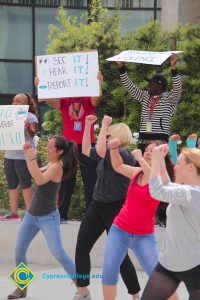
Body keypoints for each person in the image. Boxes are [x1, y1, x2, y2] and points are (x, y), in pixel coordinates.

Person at [73, 115, 140, 300]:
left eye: (109, 135)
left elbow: (101, 149)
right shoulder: (107, 154)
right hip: (97, 205)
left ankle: (135, 294)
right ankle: (82, 289)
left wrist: (103, 125)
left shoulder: (124, 155)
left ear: (117, 137)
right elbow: (86, 149)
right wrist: (88, 125)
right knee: (82, 247)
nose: (106, 137)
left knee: (121, 256)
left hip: (116, 208)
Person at [102, 139, 179, 300]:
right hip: (120, 230)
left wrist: (140, 159)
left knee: (161, 278)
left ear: (161, 156)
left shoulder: (160, 179)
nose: (148, 151)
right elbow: (118, 166)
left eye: (153, 150)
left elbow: (153, 179)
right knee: (109, 273)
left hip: (143, 236)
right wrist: (114, 149)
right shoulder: (138, 172)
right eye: (146, 149)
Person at [7, 136, 78, 299]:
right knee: (19, 251)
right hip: (32, 215)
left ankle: (81, 287)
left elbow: (39, 179)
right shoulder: (52, 164)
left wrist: (30, 158)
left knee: (58, 252)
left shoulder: (58, 167)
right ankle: (22, 287)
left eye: (50, 147)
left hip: (48, 217)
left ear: (59, 152)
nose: (47, 148)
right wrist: (27, 154)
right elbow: (36, 173)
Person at [35, 72, 103, 223]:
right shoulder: (65, 100)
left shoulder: (87, 98)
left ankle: (91, 217)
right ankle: (62, 214)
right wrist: (41, 86)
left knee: (90, 180)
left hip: (86, 145)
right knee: (66, 180)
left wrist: (98, 82)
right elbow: (51, 101)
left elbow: (97, 100)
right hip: (68, 146)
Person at [141, 144, 200, 300]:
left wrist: (155, 160)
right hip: (169, 264)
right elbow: (166, 185)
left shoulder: (192, 194)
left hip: (196, 267)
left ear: (191, 167)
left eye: (179, 163)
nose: (174, 167)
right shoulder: (186, 191)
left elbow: (157, 191)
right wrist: (159, 161)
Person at [116, 53, 182, 150]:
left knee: (157, 163)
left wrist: (174, 69)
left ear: (159, 86)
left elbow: (177, 88)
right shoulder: (145, 96)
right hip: (144, 136)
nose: (148, 86)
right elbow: (129, 87)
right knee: (141, 162)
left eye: (151, 84)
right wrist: (121, 67)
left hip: (160, 137)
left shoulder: (170, 98)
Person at [1, 93, 38, 221]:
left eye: (18, 101)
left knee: (25, 183)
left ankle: (29, 213)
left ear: (25, 104)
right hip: (9, 154)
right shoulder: (7, 116)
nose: (15, 103)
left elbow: (33, 134)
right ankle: (13, 212)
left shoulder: (30, 116)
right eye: (13, 101)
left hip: (23, 156)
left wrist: (28, 127)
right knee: (12, 184)